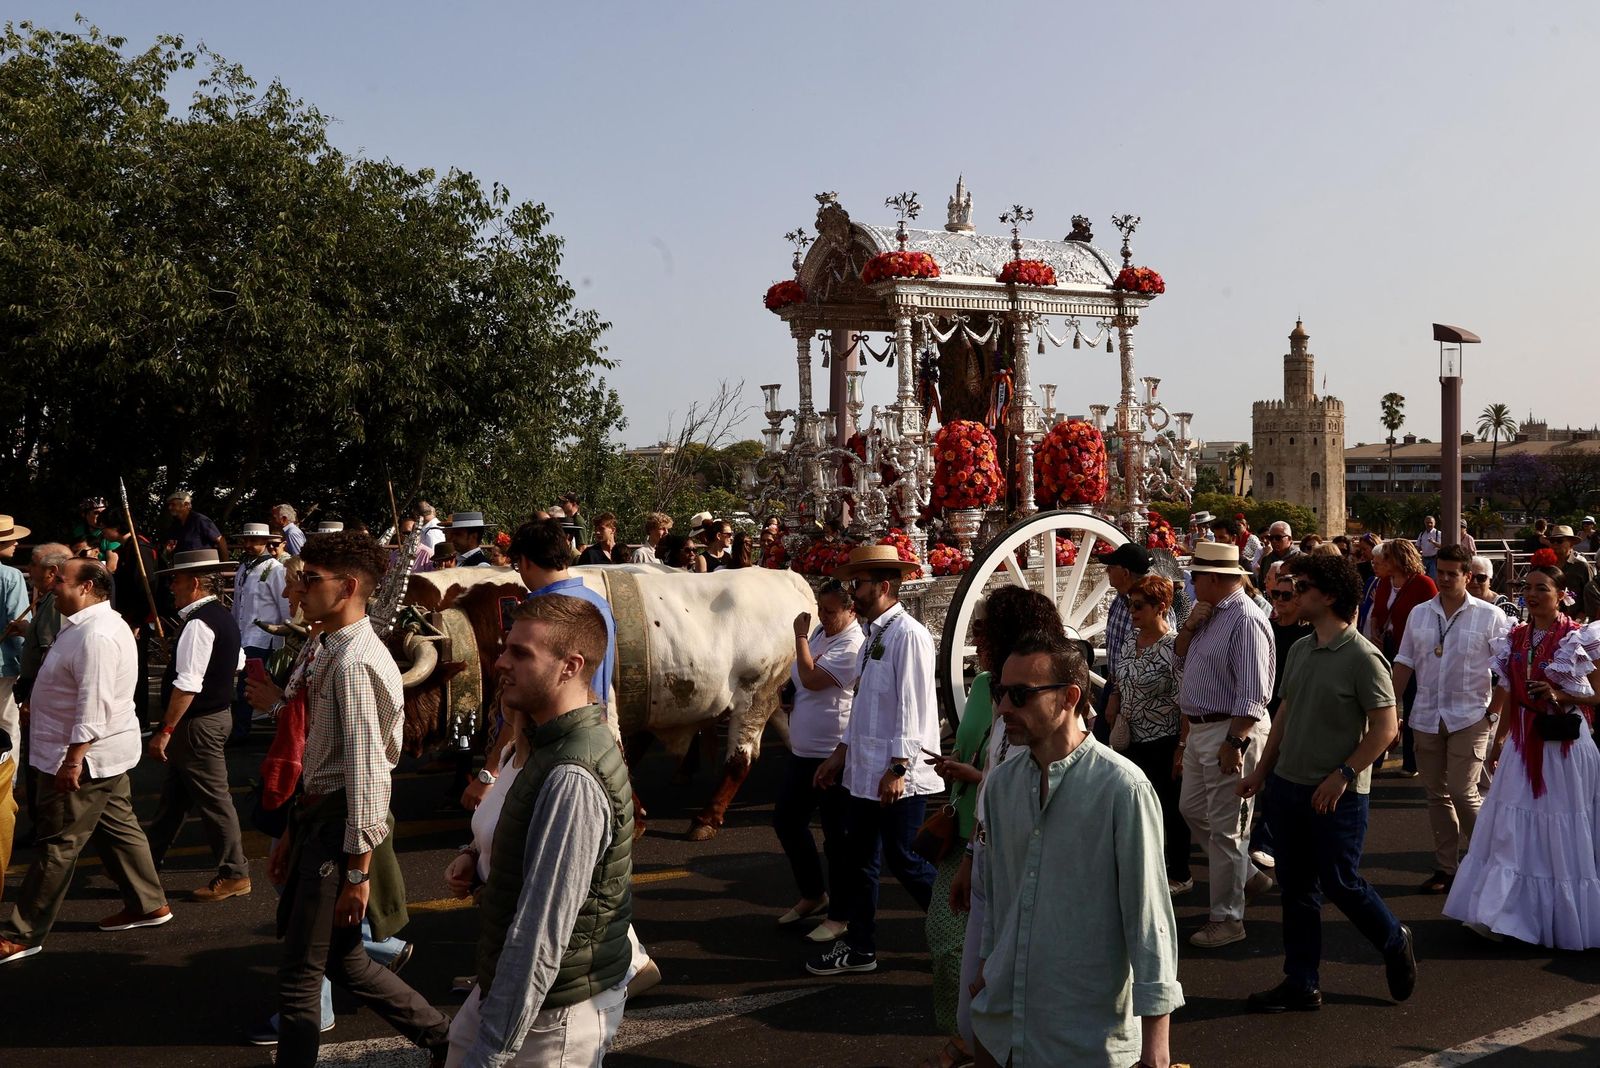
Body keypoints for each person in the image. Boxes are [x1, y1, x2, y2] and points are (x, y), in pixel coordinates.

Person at [269, 531, 450, 1066]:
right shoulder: (326, 644)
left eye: (310, 579)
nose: (298, 589)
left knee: (301, 975)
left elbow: (369, 774)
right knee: (346, 963)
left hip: (339, 824)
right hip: (318, 818)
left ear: (348, 587)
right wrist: (288, 834)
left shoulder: (353, 662)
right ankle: (445, 1040)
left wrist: (357, 873)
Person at [970, 631, 1183, 1068]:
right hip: (1002, 1029)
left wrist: (1156, 1047)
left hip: (1085, 1038)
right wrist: (987, 968)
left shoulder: (1123, 789)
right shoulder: (1001, 786)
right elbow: (998, 895)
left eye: (1019, 694)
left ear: (1069, 697)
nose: (1003, 707)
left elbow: (1149, 920)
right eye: (999, 692)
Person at [444, 594, 633, 1067]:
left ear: (570, 666)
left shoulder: (571, 773)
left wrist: (490, 1050)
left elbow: (540, 936)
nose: (501, 662)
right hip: (511, 996)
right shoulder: (543, 744)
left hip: (551, 1021)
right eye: (506, 648)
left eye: (521, 653)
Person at [1237, 553, 1415, 1011]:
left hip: (1337, 795)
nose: (1293, 591)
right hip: (1288, 786)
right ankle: (1301, 982)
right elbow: (1285, 714)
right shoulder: (1299, 648)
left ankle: (1394, 938)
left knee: (1341, 883)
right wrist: (1262, 771)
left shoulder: (1363, 657)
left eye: (1303, 585)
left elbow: (1386, 728)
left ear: (1330, 595)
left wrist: (1343, 775)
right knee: (1296, 889)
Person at [0, 558, 172, 964]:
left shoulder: (95, 634)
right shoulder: (82, 625)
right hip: (104, 754)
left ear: (89, 586)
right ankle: (148, 904)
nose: (50, 583)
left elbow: (94, 705)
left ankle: (23, 933)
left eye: (60, 578)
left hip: (85, 759)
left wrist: (73, 760)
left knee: (59, 843)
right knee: (118, 828)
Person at [1444, 558, 1600, 948]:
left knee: (1556, 829)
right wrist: (1500, 738)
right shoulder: (1515, 637)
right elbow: (1510, 691)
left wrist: (1560, 693)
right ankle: (1501, 912)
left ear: (1562, 596)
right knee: (1511, 830)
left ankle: (1547, 916)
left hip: (1562, 744)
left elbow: (1597, 694)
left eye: (1541, 588)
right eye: (1527, 588)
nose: (1531, 595)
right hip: (1522, 742)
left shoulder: (1577, 638)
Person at [941, 587, 1061, 1064]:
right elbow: (993, 785)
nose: (975, 638)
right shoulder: (997, 697)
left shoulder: (1046, 714)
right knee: (978, 1003)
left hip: (1024, 870)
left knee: (995, 998)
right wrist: (972, 857)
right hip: (991, 861)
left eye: (982, 629)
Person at [810, 544, 941, 977]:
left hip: (895, 775)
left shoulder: (909, 634)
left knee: (904, 859)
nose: (853, 592)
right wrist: (840, 754)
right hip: (865, 772)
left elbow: (913, 706)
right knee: (860, 858)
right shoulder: (874, 636)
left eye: (859, 584)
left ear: (883, 586)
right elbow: (865, 705)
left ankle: (962, 924)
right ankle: (861, 947)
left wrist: (899, 766)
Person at [461, 518, 621, 812]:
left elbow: (525, 702)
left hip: (543, 750)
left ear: (523, 562)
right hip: (593, 734)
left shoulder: (543, 615)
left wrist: (491, 771)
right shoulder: (597, 603)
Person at [1392, 544, 1511, 895]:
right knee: (1436, 795)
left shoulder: (1491, 616)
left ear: (1467, 576)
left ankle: (1490, 862)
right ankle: (1447, 868)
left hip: (1471, 716)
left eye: (1451, 573)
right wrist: (1391, 710)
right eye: (1439, 572)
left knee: (1463, 791)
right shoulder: (1419, 613)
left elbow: (1505, 672)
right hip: (1427, 715)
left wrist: (1493, 716)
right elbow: (1404, 662)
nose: (1443, 579)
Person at [1175, 541, 1275, 949]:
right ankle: (1246, 878)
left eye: (1196, 576)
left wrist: (1236, 740)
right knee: (1193, 809)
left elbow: (1255, 691)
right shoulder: (1211, 614)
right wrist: (1188, 627)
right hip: (1203, 730)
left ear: (1214, 579)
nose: (1191, 583)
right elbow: (1179, 661)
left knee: (1228, 832)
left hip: (1229, 730)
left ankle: (1228, 919)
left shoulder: (1246, 620)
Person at [145, 549, 252, 901]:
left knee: (213, 802)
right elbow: (235, 663)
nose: (171, 586)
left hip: (197, 724)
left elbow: (187, 684)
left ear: (193, 583)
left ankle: (235, 873)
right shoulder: (221, 616)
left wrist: (165, 730)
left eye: (175, 580)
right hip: (211, 719)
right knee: (174, 801)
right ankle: (143, 864)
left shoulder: (198, 623)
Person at [774, 580, 862, 945]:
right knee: (786, 820)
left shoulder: (853, 643)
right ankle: (814, 893)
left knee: (837, 839)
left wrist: (799, 636)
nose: (822, 618)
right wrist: (788, 693)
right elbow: (800, 679)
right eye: (820, 610)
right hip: (804, 752)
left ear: (851, 610)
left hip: (833, 755)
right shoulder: (823, 634)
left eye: (830, 611)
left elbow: (811, 676)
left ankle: (841, 915)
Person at [1104, 573, 1191, 896]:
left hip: (1163, 740)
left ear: (1162, 606)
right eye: (1130, 604)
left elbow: (1185, 700)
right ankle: (1146, 866)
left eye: (1139, 606)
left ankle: (1181, 872)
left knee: (1170, 808)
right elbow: (1118, 676)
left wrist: (1182, 746)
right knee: (1136, 808)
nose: (1132, 611)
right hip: (1131, 739)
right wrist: (1114, 697)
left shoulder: (1174, 648)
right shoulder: (1131, 640)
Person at [1367, 538, 1436, 776]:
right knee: (1384, 701)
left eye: (1385, 557)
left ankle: (1411, 762)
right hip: (1387, 646)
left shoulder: (1424, 584)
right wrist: (1376, 628)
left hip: (1414, 651)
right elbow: (1378, 611)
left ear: (1397, 559)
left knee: (1411, 703)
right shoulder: (1384, 582)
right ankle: (1375, 756)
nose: (1380, 562)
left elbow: (1433, 618)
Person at [231, 522, 290, 742]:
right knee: (249, 682)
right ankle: (245, 726)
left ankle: (241, 730)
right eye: (246, 540)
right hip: (243, 634)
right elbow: (237, 604)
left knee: (250, 683)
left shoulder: (275, 569)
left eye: (253, 541)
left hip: (262, 636)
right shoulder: (244, 568)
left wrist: (284, 632)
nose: (247, 545)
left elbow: (284, 605)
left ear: (265, 542)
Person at [0, 513, 30, 897]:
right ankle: (8, 793)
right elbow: (19, 626)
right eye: (8, 538)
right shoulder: (9, 578)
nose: (15, 543)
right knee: (7, 733)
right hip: (3, 666)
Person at [1549, 525, 1597, 623]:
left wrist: (1578, 620)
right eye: (1552, 541)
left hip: (1575, 622)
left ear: (1571, 543)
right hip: (1548, 620)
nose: (1555, 544)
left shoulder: (1582, 566)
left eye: (1559, 541)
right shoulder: (1546, 565)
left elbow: (1591, 597)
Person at [164, 490, 226, 557]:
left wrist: (226, 566)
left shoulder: (200, 520)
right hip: (183, 565)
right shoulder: (175, 525)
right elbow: (170, 550)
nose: (169, 508)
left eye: (173, 504)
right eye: (169, 505)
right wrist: (168, 551)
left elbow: (221, 541)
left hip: (203, 565)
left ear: (186, 505)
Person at [1468, 555, 1520, 620]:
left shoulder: (1502, 605)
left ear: (1490, 580)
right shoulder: (1458, 601)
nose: (1475, 582)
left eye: (1481, 578)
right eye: (1470, 578)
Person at [1257, 520, 1299, 586]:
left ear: (1289, 539)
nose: (1274, 541)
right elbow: (1261, 585)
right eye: (1270, 538)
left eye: (1278, 538)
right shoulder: (1266, 561)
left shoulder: (1303, 559)